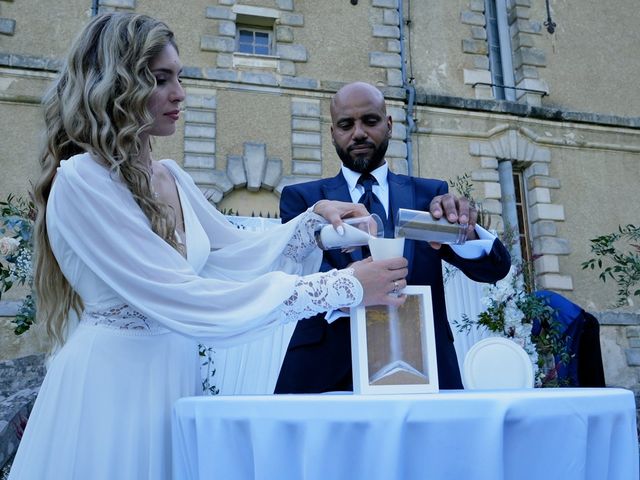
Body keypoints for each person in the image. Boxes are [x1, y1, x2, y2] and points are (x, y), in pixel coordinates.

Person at [8, 16, 409, 480]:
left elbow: (237, 254)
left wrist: (317, 225)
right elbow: (182, 295)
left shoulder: (171, 176)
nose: (180, 93)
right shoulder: (81, 181)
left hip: (173, 374)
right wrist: (345, 287)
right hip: (110, 386)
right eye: (160, 80)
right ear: (113, 87)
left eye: (179, 77)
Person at [275, 81, 512, 393]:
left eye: (370, 121)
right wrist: (347, 284)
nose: (358, 133)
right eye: (346, 124)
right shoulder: (303, 200)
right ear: (332, 132)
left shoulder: (430, 195)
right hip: (325, 368)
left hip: (425, 365)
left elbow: (495, 269)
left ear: (388, 125)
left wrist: (463, 230)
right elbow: (289, 278)